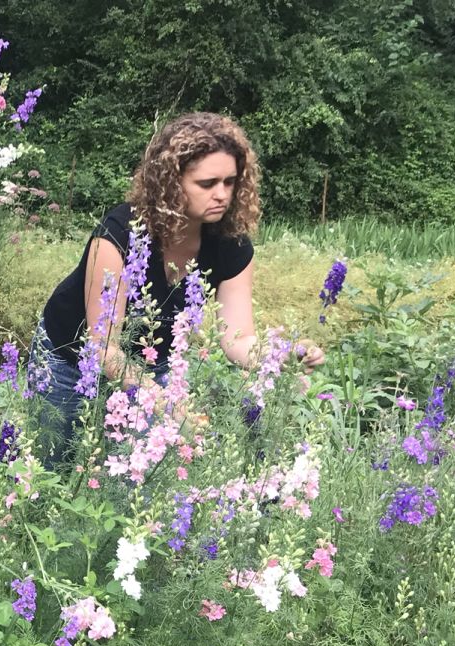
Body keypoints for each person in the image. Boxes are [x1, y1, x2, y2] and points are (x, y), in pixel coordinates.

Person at [34, 112, 324, 459]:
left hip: (152, 364)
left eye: (230, 182)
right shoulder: (120, 234)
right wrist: (166, 402)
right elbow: (103, 349)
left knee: (132, 479)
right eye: (207, 183)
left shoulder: (231, 244)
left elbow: (238, 340)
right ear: (171, 183)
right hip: (70, 357)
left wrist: (280, 355)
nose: (222, 195)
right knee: (49, 465)